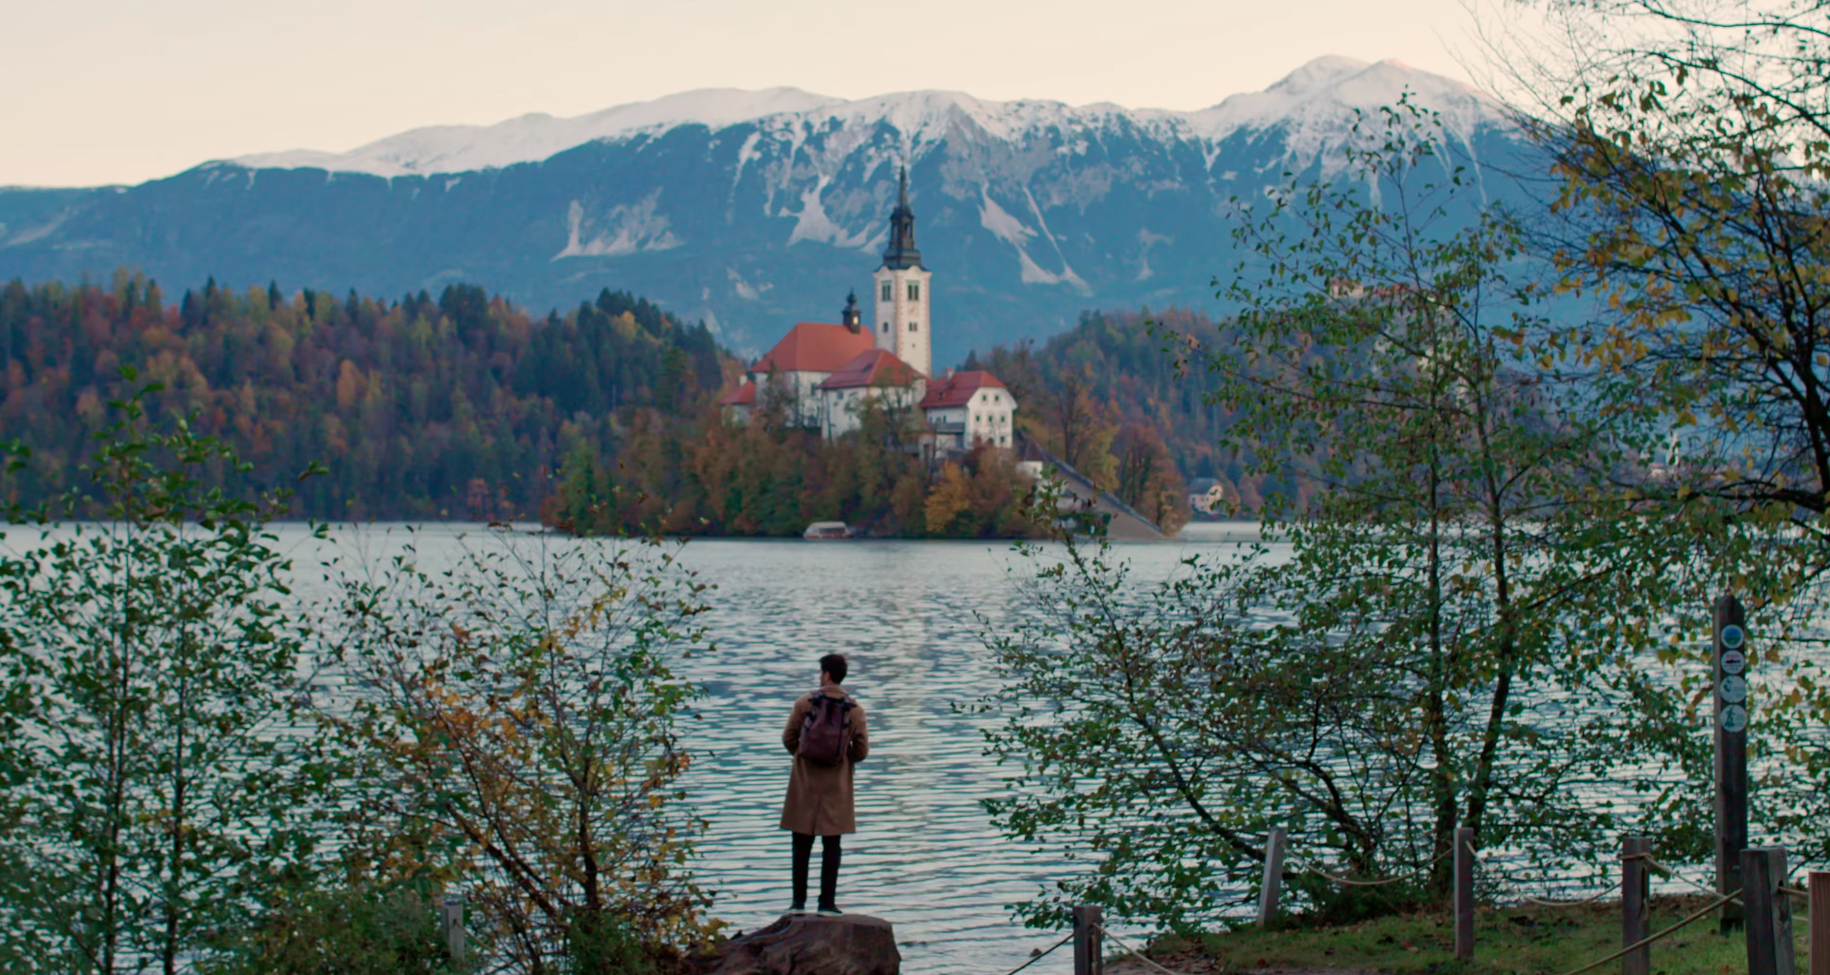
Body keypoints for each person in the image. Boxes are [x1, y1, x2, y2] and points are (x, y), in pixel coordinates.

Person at [780, 652, 869, 915]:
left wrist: (804, 755)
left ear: (826, 674)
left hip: (804, 782)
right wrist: (842, 759)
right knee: (832, 844)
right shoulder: (855, 710)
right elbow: (862, 751)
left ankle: (797, 904)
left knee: (801, 844)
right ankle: (827, 904)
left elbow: (788, 738)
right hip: (836, 785)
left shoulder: (804, 703)